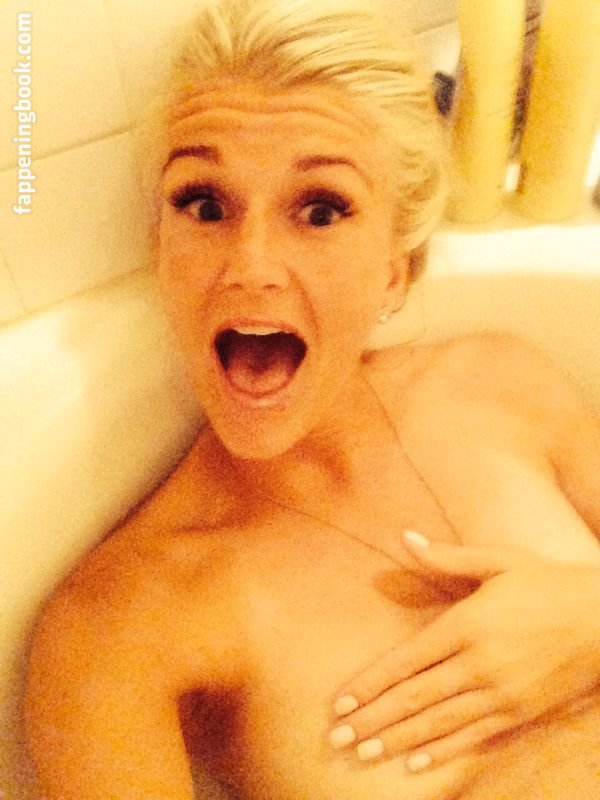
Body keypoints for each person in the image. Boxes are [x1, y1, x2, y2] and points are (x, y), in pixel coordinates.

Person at [24, 1, 600, 798]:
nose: (252, 266)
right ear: (160, 247)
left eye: (321, 209)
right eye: (205, 205)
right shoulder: (122, 624)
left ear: (396, 268)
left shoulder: (501, 383)